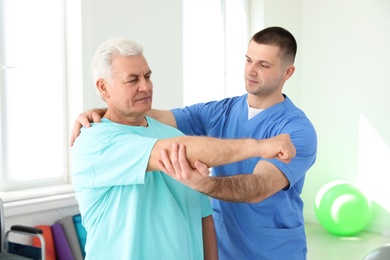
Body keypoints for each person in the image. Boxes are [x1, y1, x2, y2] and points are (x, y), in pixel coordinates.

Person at [72, 26, 317, 259]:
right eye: (248, 60)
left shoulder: (296, 130)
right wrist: (104, 110)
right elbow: (156, 116)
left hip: (273, 252)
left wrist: (205, 185)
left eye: (263, 65)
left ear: (288, 72)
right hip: (226, 249)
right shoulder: (220, 111)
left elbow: (258, 188)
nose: (251, 71)